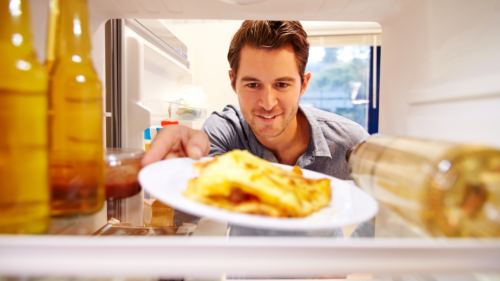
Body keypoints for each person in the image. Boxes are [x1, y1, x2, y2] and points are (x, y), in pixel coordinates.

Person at [142, 20, 369, 181]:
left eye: (282, 84)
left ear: (304, 84)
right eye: (253, 85)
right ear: (233, 82)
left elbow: (388, 213)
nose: (268, 103)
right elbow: (196, 219)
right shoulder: (225, 133)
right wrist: (181, 171)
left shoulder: (349, 141)